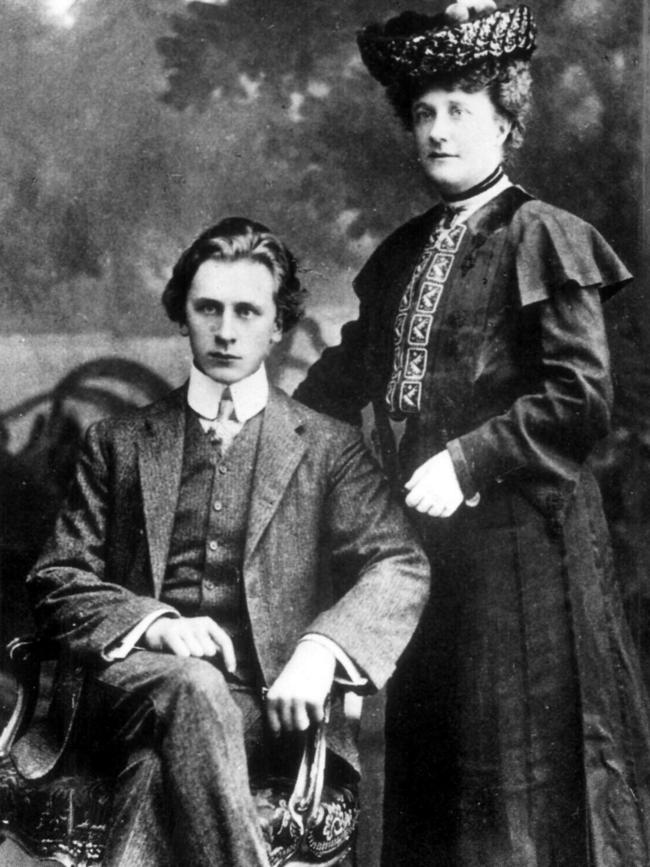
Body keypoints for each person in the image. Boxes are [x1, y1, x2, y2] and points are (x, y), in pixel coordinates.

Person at [294, 3, 650, 864]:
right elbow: (342, 380)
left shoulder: (543, 236)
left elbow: (580, 395)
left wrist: (469, 456)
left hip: (525, 552)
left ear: (505, 117)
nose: (439, 129)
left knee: (516, 780)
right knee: (433, 772)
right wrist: (262, 427)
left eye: (460, 106)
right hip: (426, 554)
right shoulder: (408, 250)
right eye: (424, 111)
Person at [25, 217, 430, 867]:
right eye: (207, 307)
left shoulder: (327, 447)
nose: (226, 327)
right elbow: (58, 575)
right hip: (131, 688)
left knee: (157, 776)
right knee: (191, 686)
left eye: (248, 310)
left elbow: (399, 561)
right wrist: (152, 623)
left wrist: (323, 649)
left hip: (261, 703)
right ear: (182, 316)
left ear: (277, 325)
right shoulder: (118, 441)